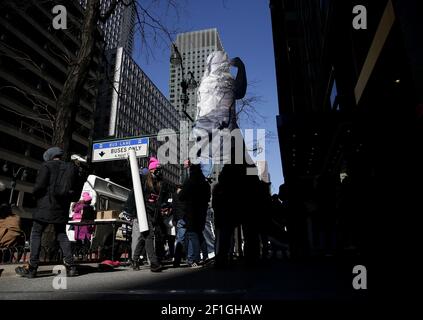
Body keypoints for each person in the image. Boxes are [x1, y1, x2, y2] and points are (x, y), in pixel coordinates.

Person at [15, 146, 78, 278]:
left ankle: (32, 268)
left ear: (50, 156)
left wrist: (35, 196)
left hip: (45, 205)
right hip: (61, 208)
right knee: (62, 235)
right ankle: (71, 267)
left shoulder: (47, 166)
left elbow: (39, 186)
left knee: (36, 233)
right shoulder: (70, 167)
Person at [192, 51, 247, 177]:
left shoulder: (204, 83)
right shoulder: (225, 81)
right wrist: (241, 67)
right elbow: (240, 91)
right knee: (241, 169)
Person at [124, 157, 169, 272]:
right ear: (151, 170)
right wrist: (129, 211)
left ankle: (134, 259)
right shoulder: (144, 181)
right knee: (149, 235)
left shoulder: (159, 184)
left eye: (160, 169)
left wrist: (164, 207)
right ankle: (154, 263)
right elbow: (134, 196)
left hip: (153, 213)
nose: (159, 171)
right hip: (143, 212)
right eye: (157, 169)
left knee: (144, 237)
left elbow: (161, 200)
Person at [178, 164, 211, 267]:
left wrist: (180, 192)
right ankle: (205, 257)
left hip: (191, 212)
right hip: (202, 212)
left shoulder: (190, 182)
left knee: (193, 235)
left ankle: (196, 259)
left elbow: (181, 197)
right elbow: (208, 198)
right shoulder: (205, 184)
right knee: (200, 234)